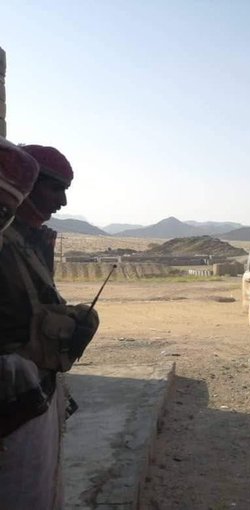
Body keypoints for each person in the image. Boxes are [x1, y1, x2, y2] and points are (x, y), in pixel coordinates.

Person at [0, 144, 99, 509]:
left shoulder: (30, 239)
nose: (62, 201)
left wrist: (69, 323)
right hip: (12, 405)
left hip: (35, 396)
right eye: (55, 188)